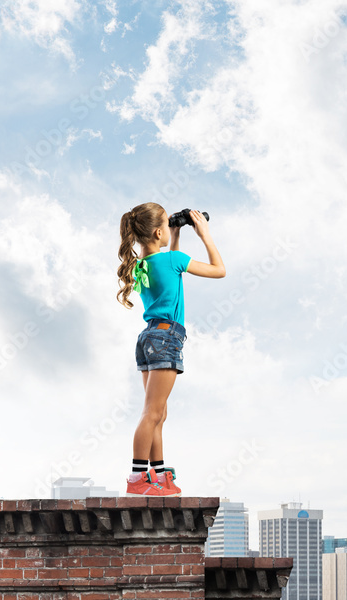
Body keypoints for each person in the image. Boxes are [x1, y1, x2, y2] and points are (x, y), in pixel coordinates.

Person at [116, 203, 225, 496]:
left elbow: (169, 272)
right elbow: (219, 270)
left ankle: (159, 476)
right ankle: (138, 479)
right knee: (152, 414)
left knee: (158, 414)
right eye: (167, 223)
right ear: (158, 231)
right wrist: (204, 234)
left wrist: (174, 233)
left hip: (149, 338)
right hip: (167, 338)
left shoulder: (140, 266)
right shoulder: (173, 259)